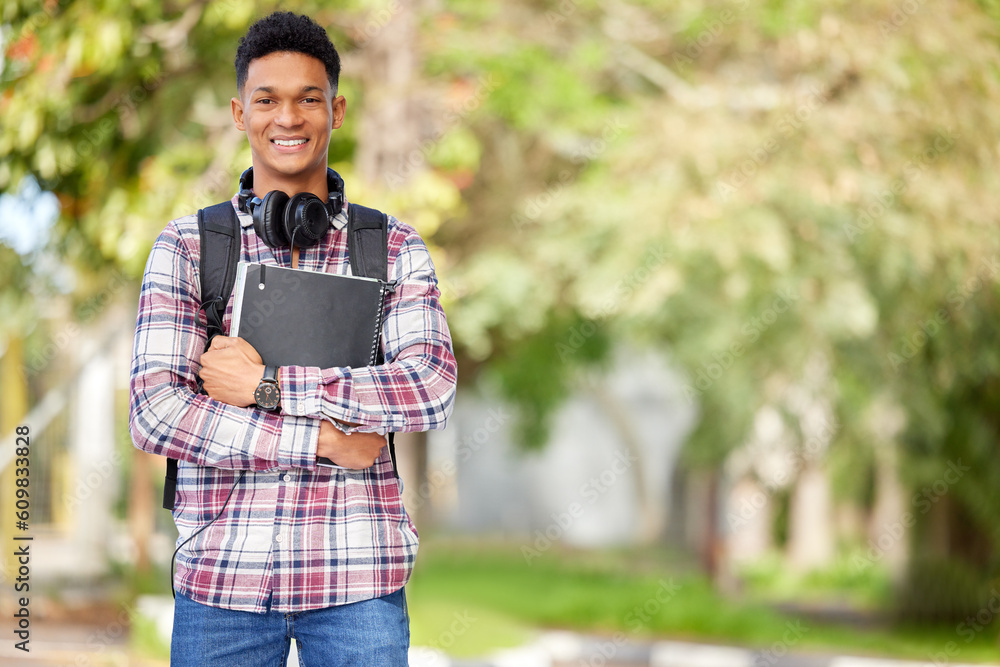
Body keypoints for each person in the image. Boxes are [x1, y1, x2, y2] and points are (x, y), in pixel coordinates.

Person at [128, 11, 457, 666]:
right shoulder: (189, 247)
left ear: (336, 109)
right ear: (238, 112)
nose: (289, 118)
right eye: (267, 99)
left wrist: (267, 387)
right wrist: (323, 439)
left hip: (360, 582)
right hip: (223, 580)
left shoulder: (391, 247)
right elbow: (156, 412)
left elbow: (430, 387)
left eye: (309, 99)